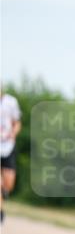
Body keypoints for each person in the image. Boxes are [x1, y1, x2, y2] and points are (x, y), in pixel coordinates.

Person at [0, 89, 22, 224]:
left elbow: (17, 122)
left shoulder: (11, 102)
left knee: (8, 184)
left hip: (7, 146)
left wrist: (13, 133)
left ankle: (4, 193)